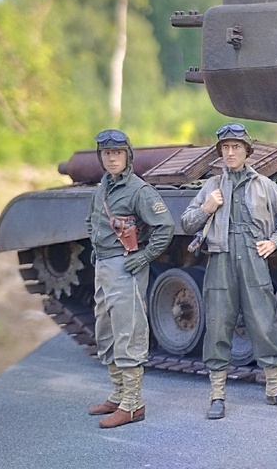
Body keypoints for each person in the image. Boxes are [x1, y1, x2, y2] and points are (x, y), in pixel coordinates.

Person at [182, 122, 277, 419]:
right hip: (220, 259)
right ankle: (217, 394)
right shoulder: (211, 187)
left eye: (236, 147)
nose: (230, 152)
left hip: (252, 258)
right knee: (218, 324)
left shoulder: (264, 185)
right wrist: (207, 208)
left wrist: (273, 242)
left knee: (263, 322)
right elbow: (186, 222)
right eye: (225, 147)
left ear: (247, 151)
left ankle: (275, 387)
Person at [84, 129, 175, 428]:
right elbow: (92, 220)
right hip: (104, 266)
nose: (112, 158)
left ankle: (133, 404)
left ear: (128, 156)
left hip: (125, 267)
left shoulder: (139, 190)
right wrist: (97, 249)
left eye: (118, 153)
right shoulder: (103, 187)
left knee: (128, 331)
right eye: (107, 153)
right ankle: (119, 394)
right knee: (106, 331)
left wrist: (144, 256)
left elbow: (164, 226)